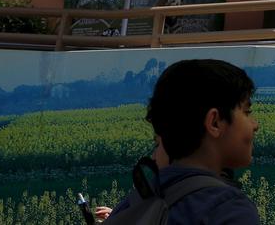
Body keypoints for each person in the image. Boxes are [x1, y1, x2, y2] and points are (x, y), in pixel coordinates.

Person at [105, 59, 261, 224]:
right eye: (246, 112)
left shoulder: (133, 205)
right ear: (214, 122)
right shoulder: (228, 209)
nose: (254, 125)